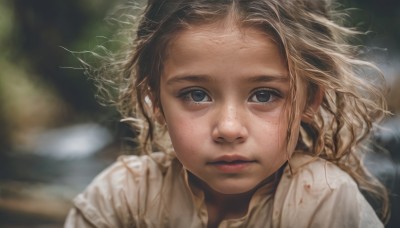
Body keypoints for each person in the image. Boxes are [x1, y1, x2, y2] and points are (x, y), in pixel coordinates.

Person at [64, 0, 390, 227]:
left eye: (264, 95)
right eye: (196, 95)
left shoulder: (323, 202)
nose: (229, 128)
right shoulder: (121, 198)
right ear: (156, 102)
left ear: (310, 100)